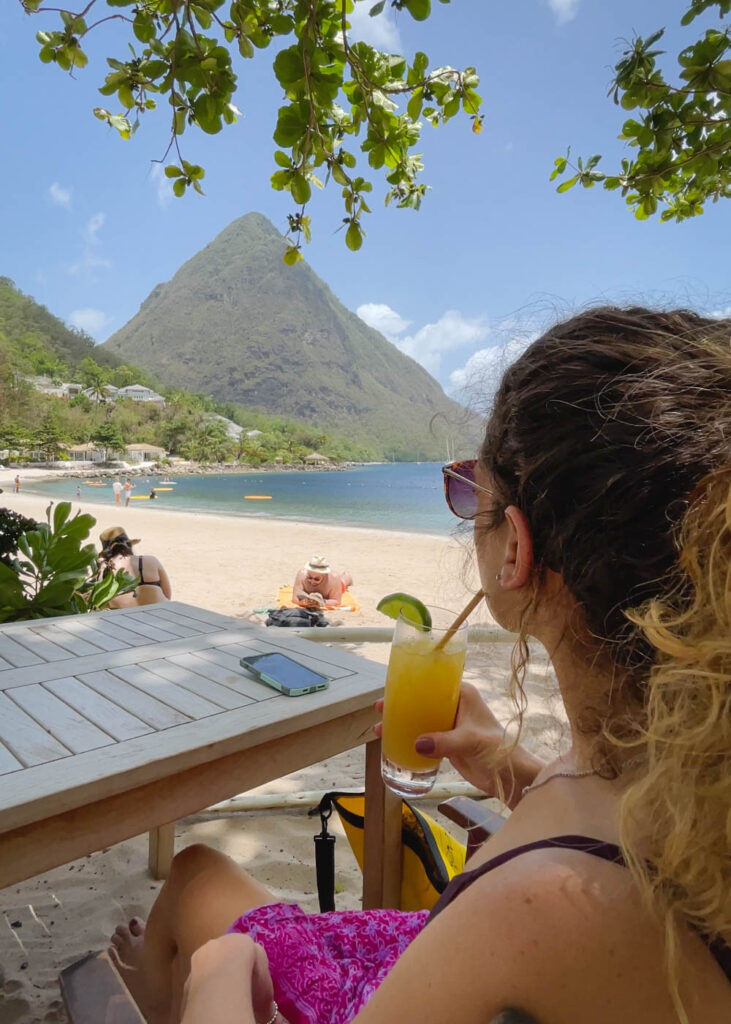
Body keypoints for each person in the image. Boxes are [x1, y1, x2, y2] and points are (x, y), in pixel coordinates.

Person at [109, 308, 730, 1024]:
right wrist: (513, 769)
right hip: (461, 951)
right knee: (195, 873)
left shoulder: (547, 907)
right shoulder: (678, 766)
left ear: (514, 549)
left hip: (432, 969)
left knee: (193, 893)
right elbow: (624, 826)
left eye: (471, 493)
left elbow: (554, 908)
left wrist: (220, 977)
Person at [98, 526, 172, 607]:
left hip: (126, 618)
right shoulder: (151, 561)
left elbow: (102, 603)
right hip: (162, 614)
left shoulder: (105, 569)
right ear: (129, 545)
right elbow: (167, 595)